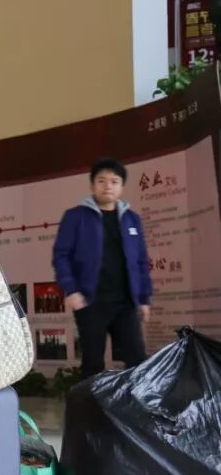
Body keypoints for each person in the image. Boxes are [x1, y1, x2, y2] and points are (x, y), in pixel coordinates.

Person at [53, 158, 151, 378]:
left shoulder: (132, 219)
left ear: (122, 186)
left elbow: (141, 261)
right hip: (90, 302)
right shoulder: (75, 216)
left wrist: (144, 298)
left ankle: (137, 400)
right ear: (92, 185)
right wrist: (71, 290)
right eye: (101, 181)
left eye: (114, 181)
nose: (108, 186)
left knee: (137, 358)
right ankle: (91, 401)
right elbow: (61, 255)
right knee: (93, 361)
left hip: (125, 303)